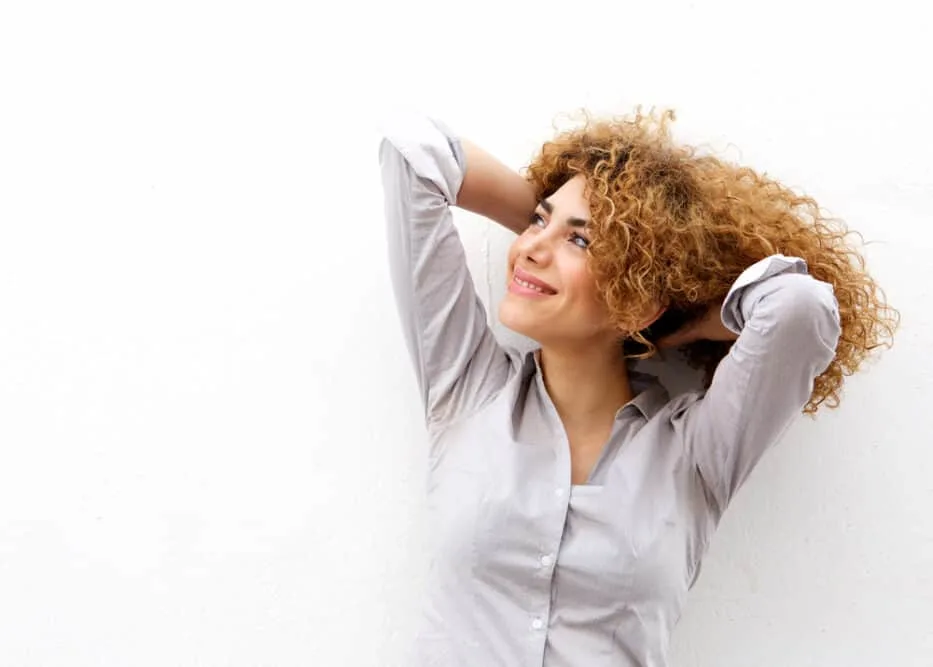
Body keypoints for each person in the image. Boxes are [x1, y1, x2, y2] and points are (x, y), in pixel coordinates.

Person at [377, 110, 898, 667]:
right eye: (538, 221)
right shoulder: (468, 390)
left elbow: (801, 309)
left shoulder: (696, 454)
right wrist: (554, 227)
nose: (531, 247)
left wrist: (684, 317)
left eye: (581, 241)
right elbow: (415, 154)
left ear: (637, 295)